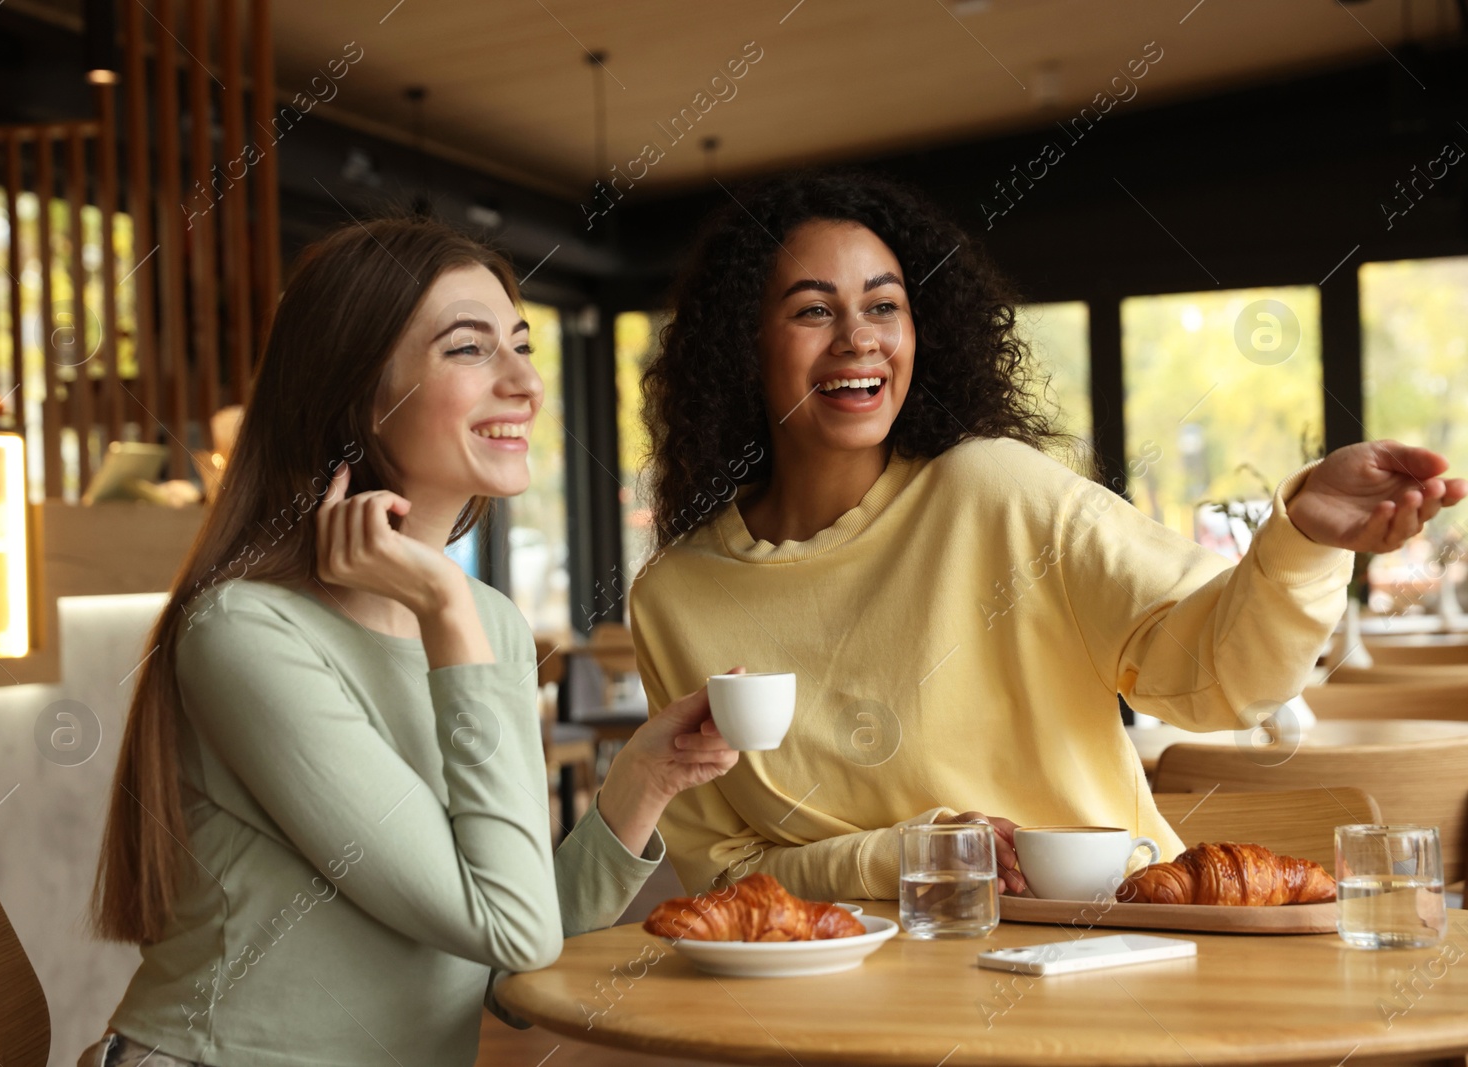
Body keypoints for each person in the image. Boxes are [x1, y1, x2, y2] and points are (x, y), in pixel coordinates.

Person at [627, 170, 1466, 902]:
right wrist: (912, 854)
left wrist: (1305, 536)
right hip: (850, 1001)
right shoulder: (675, 599)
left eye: (885, 304)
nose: (859, 338)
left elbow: (1220, 678)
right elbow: (727, 876)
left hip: (1112, 958)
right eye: (814, 309)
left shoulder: (995, 489)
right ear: (744, 344)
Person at [81, 218, 737, 1067]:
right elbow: (512, 921)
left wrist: (641, 781)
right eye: (468, 349)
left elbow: (511, 962)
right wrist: (445, 605)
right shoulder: (247, 634)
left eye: (522, 345)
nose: (525, 384)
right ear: (357, 391)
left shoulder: (484, 619)